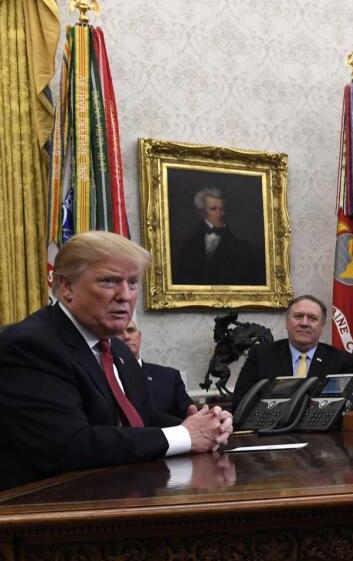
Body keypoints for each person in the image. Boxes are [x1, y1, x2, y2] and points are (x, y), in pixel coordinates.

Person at [0, 232, 233, 490]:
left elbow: (142, 420)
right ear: (66, 287)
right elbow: (69, 445)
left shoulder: (118, 350)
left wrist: (206, 425)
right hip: (47, 512)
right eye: (109, 282)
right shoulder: (30, 345)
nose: (125, 296)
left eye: (132, 283)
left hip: (124, 497)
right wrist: (184, 436)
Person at [230, 295, 352, 410]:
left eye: (312, 318)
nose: (304, 323)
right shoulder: (261, 355)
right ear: (287, 322)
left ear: (322, 326)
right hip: (268, 431)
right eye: (298, 316)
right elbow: (241, 403)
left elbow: (342, 408)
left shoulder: (340, 361)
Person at [174, 187, 264, 286]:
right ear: (203, 213)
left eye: (222, 209)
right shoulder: (189, 245)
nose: (219, 214)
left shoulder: (242, 247)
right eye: (213, 209)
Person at [118, 317, 196, 419]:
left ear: (139, 336)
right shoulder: (104, 378)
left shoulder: (169, 378)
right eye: (118, 332)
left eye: (130, 330)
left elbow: (189, 414)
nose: (126, 337)